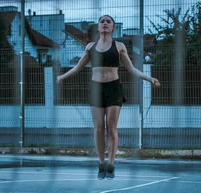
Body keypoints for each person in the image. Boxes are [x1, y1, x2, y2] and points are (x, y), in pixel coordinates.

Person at [56, 15, 161, 179]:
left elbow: (131, 69)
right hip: (96, 89)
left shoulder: (119, 46)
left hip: (114, 89)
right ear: (98, 28)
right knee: (98, 128)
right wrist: (61, 78)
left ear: (112, 28)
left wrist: (149, 78)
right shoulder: (90, 47)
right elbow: (77, 68)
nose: (105, 23)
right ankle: (101, 163)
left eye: (108, 22)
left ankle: (111, 164)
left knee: (111, 127)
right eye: (102, 22)